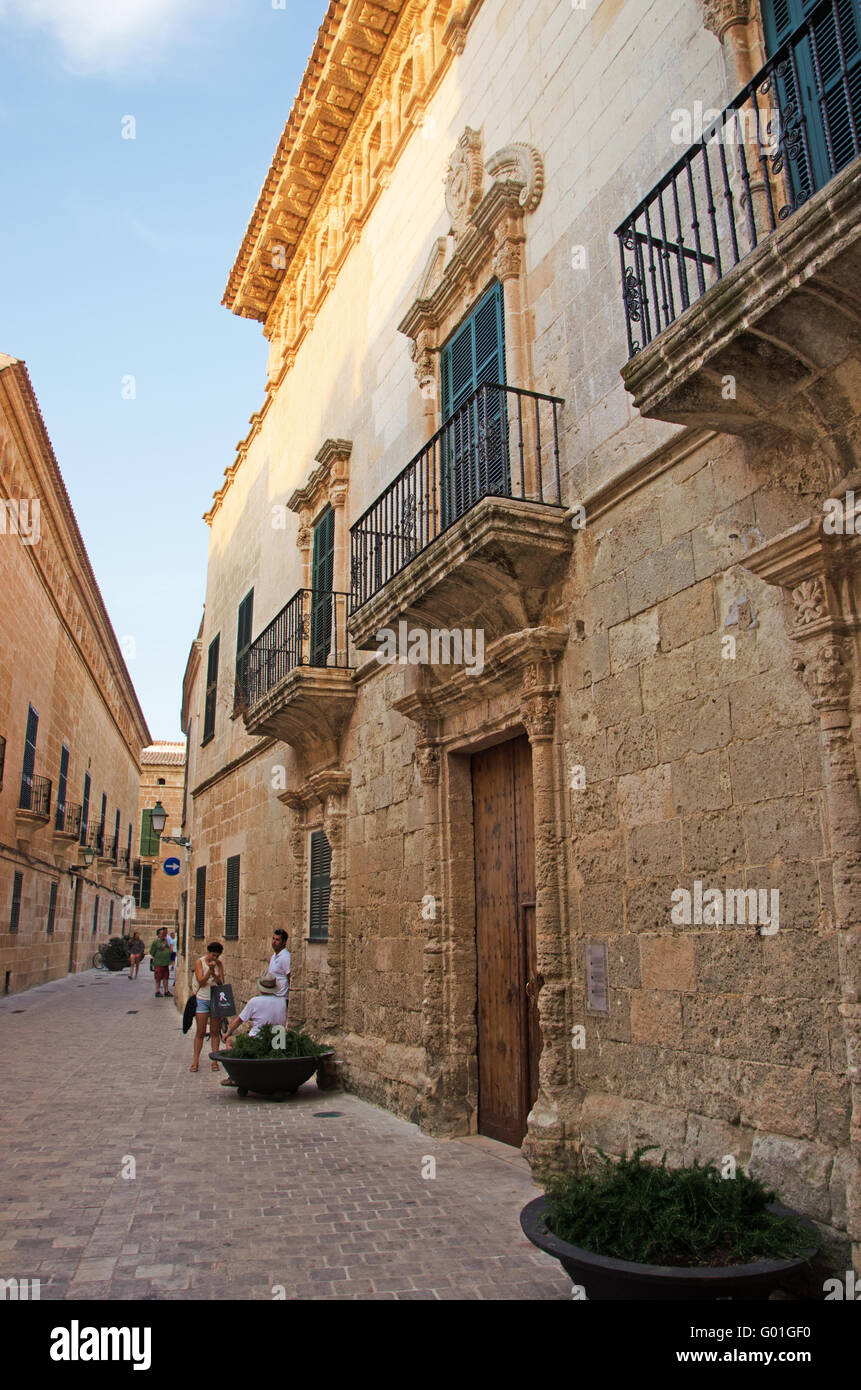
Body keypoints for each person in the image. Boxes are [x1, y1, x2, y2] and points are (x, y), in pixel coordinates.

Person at [219, 974, 286, 1086]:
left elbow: (238, 1021)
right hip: (278, 1041)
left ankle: (234, 1076)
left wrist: (227, 1033)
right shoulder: (283, 1001)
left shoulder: (255, 1001)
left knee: (230, 1041)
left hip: (258, 1040)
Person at [190, 941, 225, 1073]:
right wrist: (209, 971)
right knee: (200, 1031)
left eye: (217, 956)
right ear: (208, 952)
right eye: (213, 955)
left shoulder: (219, 964)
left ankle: (214, 1060)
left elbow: (221, 982)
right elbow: (201, 981)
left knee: (215, 1031)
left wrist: (214, 973)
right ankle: (195, 1061)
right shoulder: (200, 962)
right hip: (202, 998)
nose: (215, 958)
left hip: (215, 998)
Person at [268, 929, 291, 1005]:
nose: (274, 942)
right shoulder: (274, 956)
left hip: (281, 999)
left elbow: (290, 977)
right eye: (273, 939)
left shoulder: (285, 957)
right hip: (273, 998)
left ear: (284, 942)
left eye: (277, 940)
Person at [149, 928, 172, 998]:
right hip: (159, 963)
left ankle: (166, 991)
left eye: (164, 933)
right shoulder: (155, 942)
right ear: (158, 934)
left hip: (165, 962)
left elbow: (168, 948)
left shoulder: (165, 941)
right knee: (158, 977)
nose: (163, 934)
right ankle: (157, 991)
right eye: (162, 933)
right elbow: (152, 952)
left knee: (166, 977)